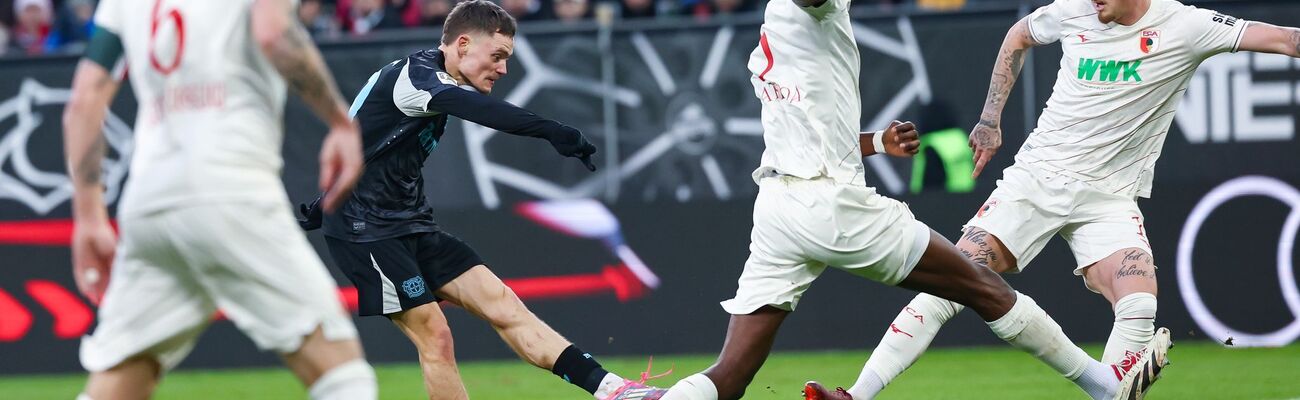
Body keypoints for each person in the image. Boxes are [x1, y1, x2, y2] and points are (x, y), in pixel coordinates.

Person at [628, 0, 1172, 399]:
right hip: (832, 206)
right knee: (980, 285)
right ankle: (1106, 387)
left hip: (777, 210)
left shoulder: (773, 31)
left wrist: (874, 144)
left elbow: (811, 129)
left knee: (730, 375)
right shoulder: (812, 11)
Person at [807, 0, 1300, 399]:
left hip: (1109, 197)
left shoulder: (1187, 26)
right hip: (1036, 181)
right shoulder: (1073, 10)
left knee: (1140, 302)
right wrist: (990, 119)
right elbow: (1018, 35)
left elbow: (1283, 38)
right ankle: (857, 396)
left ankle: (1110, 392)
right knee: (950, 284)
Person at [294, 1, 653, 399]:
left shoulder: (428, 79)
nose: (503, 69)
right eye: (497, 56)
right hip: (365, 231)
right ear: (462, 45)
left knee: (505, 306)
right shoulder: (418, 78)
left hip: (408, 222)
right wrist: (553, 130)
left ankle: (613, 390)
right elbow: (481, 111)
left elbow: (365, 137)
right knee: (436, 335)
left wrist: (325, 194)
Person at [64, 0, 375, 399]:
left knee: (121, 381)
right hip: (229, 187)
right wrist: (339, 121)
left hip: (149, 203)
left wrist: (88, 217)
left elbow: (84, 100)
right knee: (342, 373)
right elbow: (273, 32)